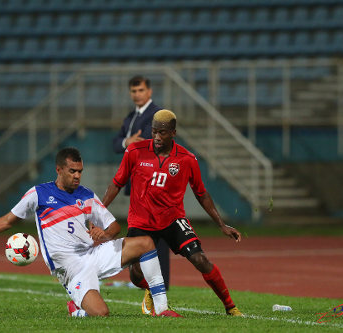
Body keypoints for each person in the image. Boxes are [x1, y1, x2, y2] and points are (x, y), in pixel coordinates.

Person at [0, 147, 181, 318]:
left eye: (80, 171)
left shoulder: (87, 195)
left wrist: (104, 235)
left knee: (147, 242)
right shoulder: (39, 194)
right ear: (59, 169)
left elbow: (114, 226)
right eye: (72, 171)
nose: (77, 176)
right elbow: (7, 221)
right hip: (71, 268)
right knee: (101, 313)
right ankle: (76, 308)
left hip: (94, 253)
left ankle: (161, 309)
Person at [102, 109, 244, 316]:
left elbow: (202, 194)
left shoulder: (187, 159)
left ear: (173, 133)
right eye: (154, 132)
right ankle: (151, 291)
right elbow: (116, 184)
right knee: (135, 274)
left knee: (200, 260)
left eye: (163, 132)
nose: (157, 137)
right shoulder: (134, 151)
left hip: (173, 219)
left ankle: (231, 307)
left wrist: (221, 225)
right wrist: (99, 211)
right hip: (141, 221)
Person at [111, 75, 171, 293]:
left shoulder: (158, 115)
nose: (137, 94)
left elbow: (155, 142)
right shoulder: (131, 117)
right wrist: (128, 142)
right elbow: (117, 143)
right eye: (134, 91)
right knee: (140, 232)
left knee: (157, 233)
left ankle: (159, 279)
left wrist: (135, 144)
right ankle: (143, 278)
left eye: (141, 90)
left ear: (149, 91)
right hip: (138, 183)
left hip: (154, 183)